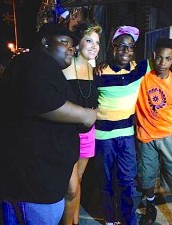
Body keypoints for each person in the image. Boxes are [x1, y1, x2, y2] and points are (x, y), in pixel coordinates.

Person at [0, 22, 97, 225]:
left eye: (73, 44)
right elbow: (45, 102)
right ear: (45, 42)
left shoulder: (43, 67)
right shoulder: (35, 63)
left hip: (37, 181)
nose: (71, 48)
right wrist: (85, 115)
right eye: (64, 42)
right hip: (31, 186)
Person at [94, 26, 172, 225]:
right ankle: (141, 211)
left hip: (159, 135)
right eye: (120, 46)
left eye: (130, 47)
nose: (163, 63)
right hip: (134, 136)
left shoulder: (158, 76)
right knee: (137, 178)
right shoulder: (140, 72)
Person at [136, 38, 172, 225]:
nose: (162, 63)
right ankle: (150, 209)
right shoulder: (143, 75)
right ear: (153, 57)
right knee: (147, 176)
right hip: (146, 136)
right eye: (159, 58)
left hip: (170, 135)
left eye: (167, 59)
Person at [60, 22, 102, 225]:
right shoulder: (65, 66)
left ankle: (75, 220)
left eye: (97, 42)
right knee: (70, 187)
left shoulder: (95, 70)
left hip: (87, 134)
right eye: (89, 40)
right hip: (66, 135)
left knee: (78, 180)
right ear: (78, 43)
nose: (94, 46)